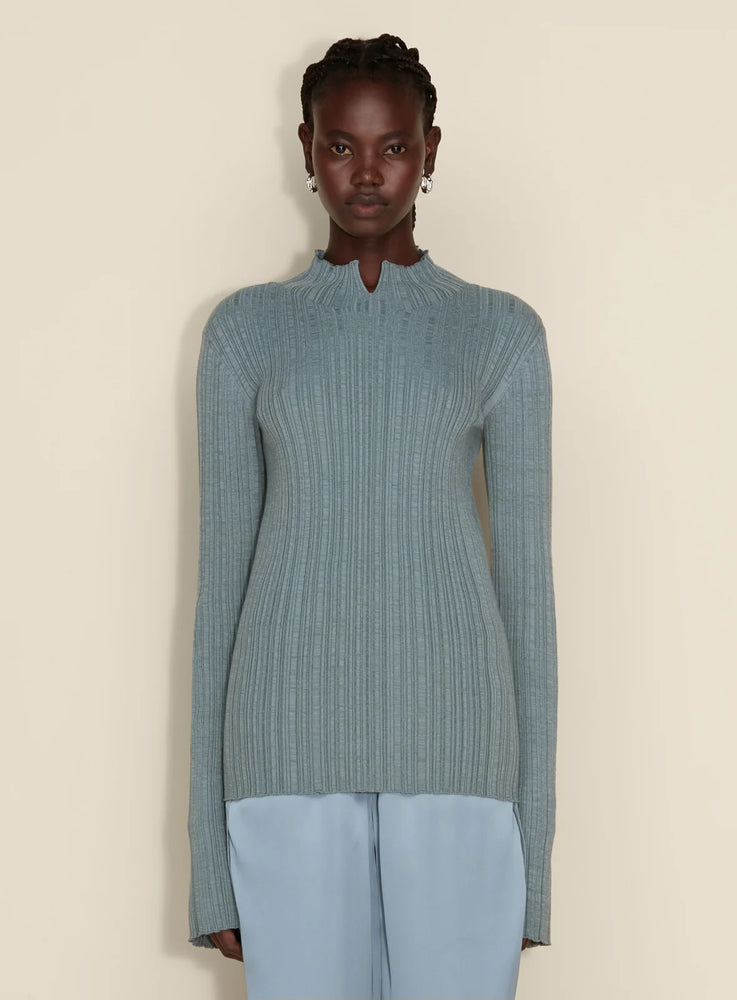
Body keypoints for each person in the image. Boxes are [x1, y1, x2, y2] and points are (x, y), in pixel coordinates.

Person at [187, 32, 558, 1000]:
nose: (366, 172)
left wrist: (535, 865)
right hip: (281, 755)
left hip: (461, 757)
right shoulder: (245, 333)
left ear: (429, 151)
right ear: (306, 149)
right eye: (341, 145)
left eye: (392, 147)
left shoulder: (501, 333)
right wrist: (208, 865)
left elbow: (529, 603)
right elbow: (219, 595)